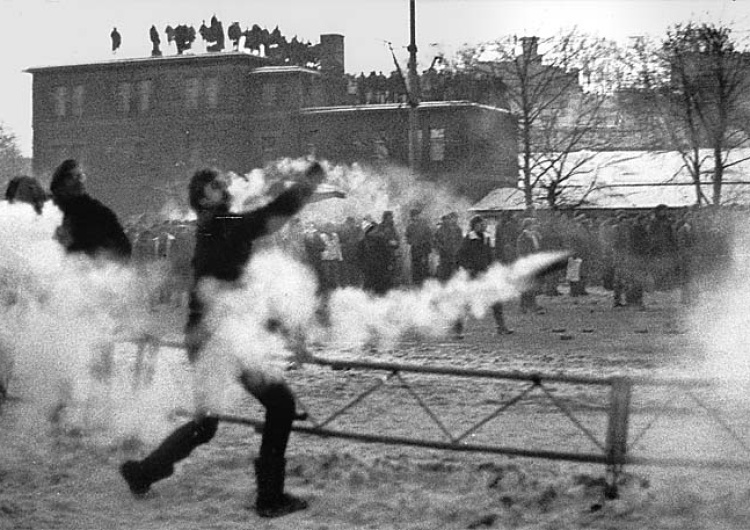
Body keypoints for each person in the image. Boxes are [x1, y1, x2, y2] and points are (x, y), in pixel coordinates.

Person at [119, 161, 327, 518]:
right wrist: (306, 186)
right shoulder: (224, 225)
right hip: (220, 338)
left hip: (207, 335)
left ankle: (143, 473)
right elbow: (269, 216)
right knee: (280, 405)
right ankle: (270, 497)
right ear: (204, 197)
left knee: (205, 425)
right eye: (217, 183)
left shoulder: (210, 227)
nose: (225, 183)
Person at [49, 159, 132, 262]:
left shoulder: (97, 211)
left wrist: (103, 262)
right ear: (60, 181)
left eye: (80, 176)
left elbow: (123, 246)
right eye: (71, 177)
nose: (77, 181)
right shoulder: (46, 208)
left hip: (90, 272)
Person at [455, 216, 512, 337]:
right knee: (467, 302)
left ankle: (501, 327)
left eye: (483, 224)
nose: (483, 226)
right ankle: (458, 330)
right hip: (473, 275)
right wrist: (469, 268)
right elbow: (460, 256)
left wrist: (492, 268)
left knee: (496, 300)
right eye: (480, 224)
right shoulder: (469, 238)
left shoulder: (486, 238)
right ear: (474, 226)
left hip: (486, 274)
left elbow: (490, 256)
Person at [516, 217, 544, 314]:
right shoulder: (522, 237)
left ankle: (529, 304)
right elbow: (522, 251)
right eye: (532, 225)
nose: (534, 227)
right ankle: (526, 305)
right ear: (528, 226)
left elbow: (537, 247)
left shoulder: (533, 236)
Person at [405, 208, 433, 286]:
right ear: (412, 217)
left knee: (424, 268)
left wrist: (425, 246)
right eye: (414, 216)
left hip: (423, 249)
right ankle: (416, 285)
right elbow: (408, 239)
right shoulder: (410, 227)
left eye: (417, 215)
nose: (416, 217)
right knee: (415, 268)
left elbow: (429, 237)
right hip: (415, 250)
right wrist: (413, 242)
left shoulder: (424, 226)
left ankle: (425, 285)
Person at [434, 212, 463, 282]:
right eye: (452, 218)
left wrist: (457, 249)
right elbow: (436, 240)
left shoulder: (458, 229)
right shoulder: (442, 229)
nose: (454, 220)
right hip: (444, 253)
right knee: (444, 269)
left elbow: (460, 241)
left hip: (454, 253)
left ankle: (452, 284)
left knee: (454, 270)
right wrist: (440, 248)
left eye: (456, 218)